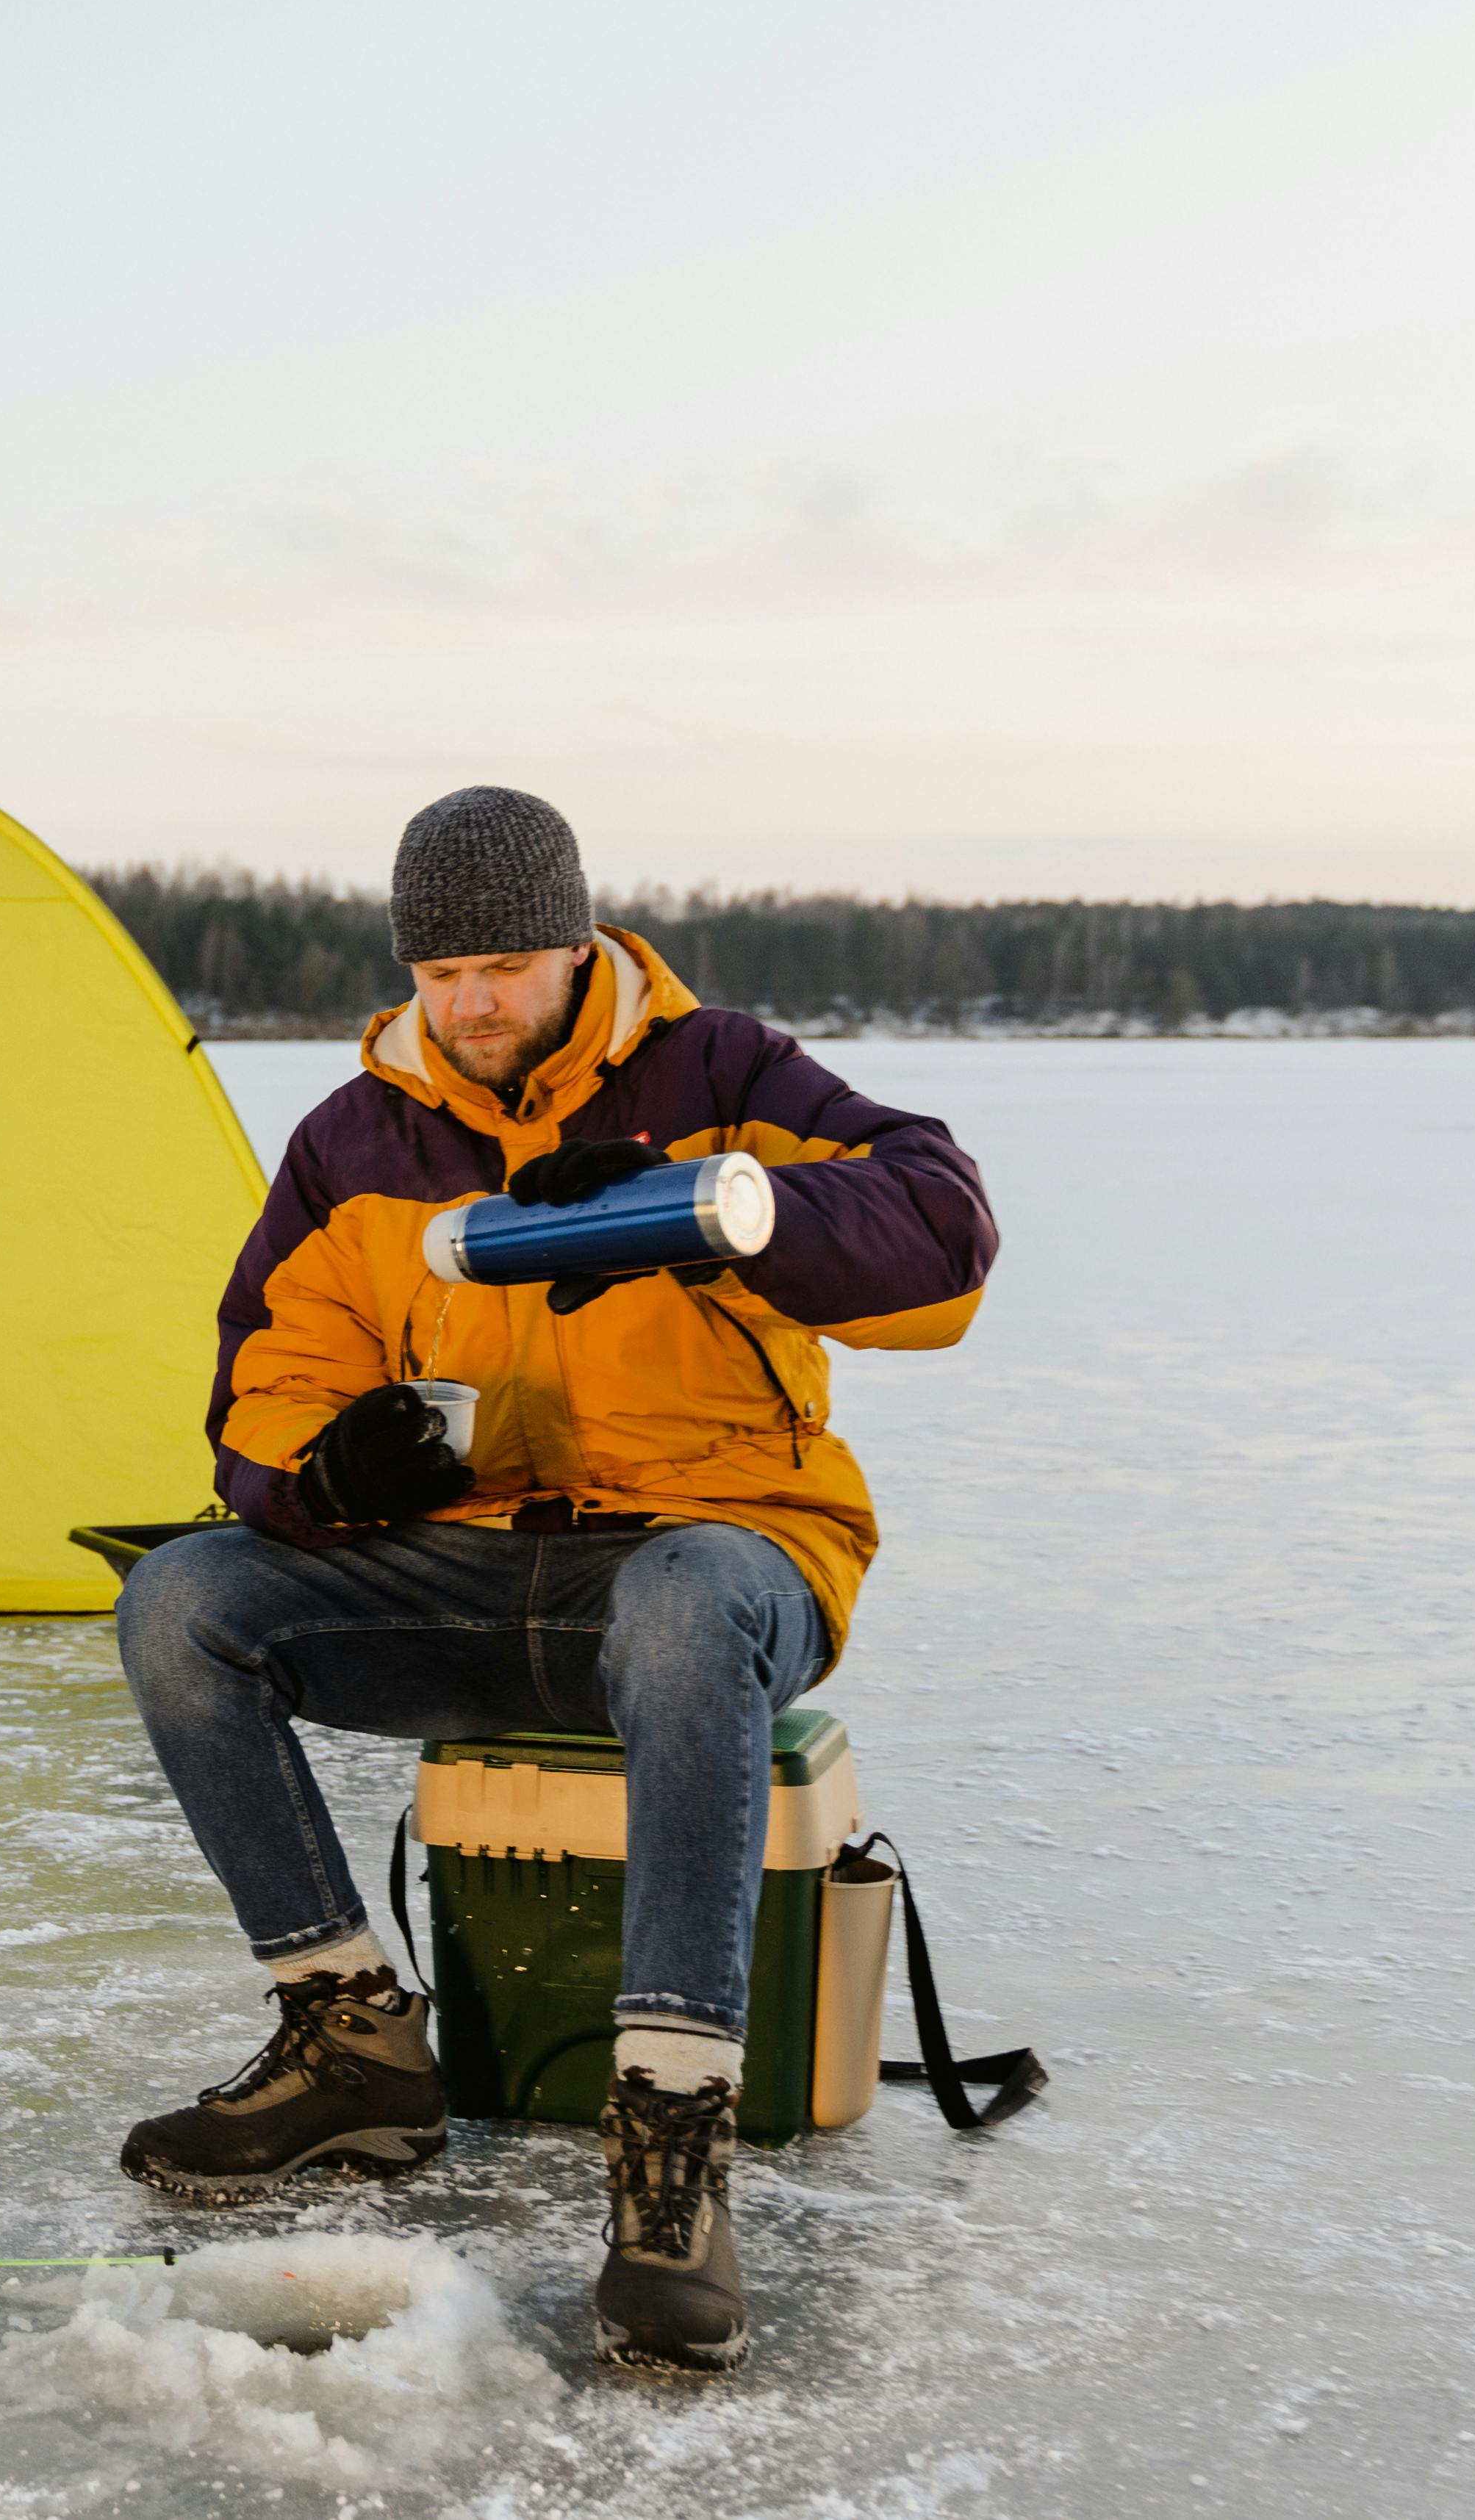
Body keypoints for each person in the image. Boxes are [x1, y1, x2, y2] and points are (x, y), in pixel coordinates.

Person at [112, 784, 997, 2369]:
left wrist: (727, 1214)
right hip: (479, 1570)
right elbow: (268, 1375)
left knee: (681, 1602)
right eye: (442, 973)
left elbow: (943, 1236)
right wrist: (327, 1476)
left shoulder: (720, 1072)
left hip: (723, 1546)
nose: (473, 1006)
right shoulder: (355, 1139)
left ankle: (669, 2139)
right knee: (183, 1600)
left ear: (577, 943)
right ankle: (354, 2043)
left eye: (508, 965)